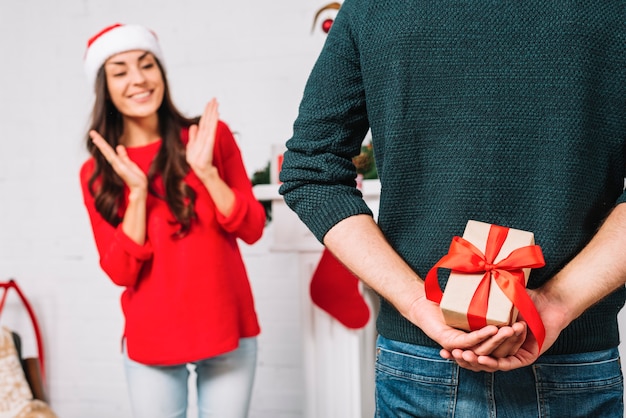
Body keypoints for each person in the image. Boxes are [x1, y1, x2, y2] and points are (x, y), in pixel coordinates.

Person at [279, 1, 626, 417]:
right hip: (573, 363)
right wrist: (554, 304)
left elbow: (310, 172)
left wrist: (417, 305)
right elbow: (312, 171)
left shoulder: (373, 7)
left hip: (420, 357)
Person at [79, 23, 266, 418]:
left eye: (147, 65)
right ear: (104, 86)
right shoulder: (98, 172)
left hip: (226, 327)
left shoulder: (209, 138)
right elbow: (120, 271)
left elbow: (251, 228)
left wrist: (207, 172)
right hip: (153, 338)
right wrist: (138, 194)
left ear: (161, 72)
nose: (138, 79)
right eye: (120, 71)